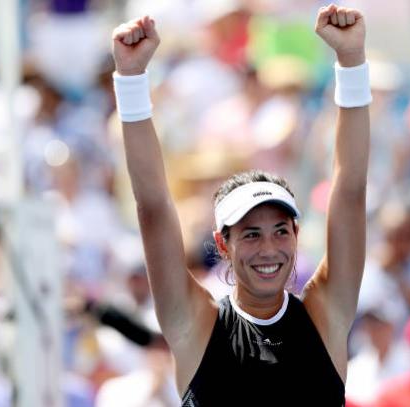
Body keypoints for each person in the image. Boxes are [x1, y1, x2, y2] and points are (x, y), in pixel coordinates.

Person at [110, 4, 371, 406]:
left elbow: (350, 192)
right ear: (222, 243)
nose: (269, 249)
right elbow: (154, 207)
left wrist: (351, 62)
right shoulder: (195, 324)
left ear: (296, 235)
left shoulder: (325, 316)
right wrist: (131, 80)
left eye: (279, 231)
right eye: (251, 234)